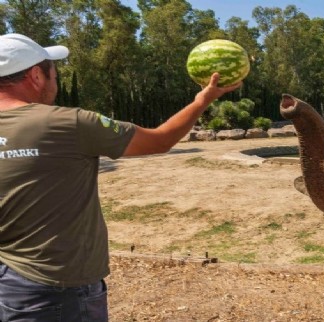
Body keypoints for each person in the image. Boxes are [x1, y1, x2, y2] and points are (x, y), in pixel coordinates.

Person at [0, 33, 241, 321]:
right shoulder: (67, 123)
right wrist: (204, 99)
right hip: (56, 286)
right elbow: (159, 141)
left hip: (8, 279)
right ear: (36, 75)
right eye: (54, 71)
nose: (56, 80)